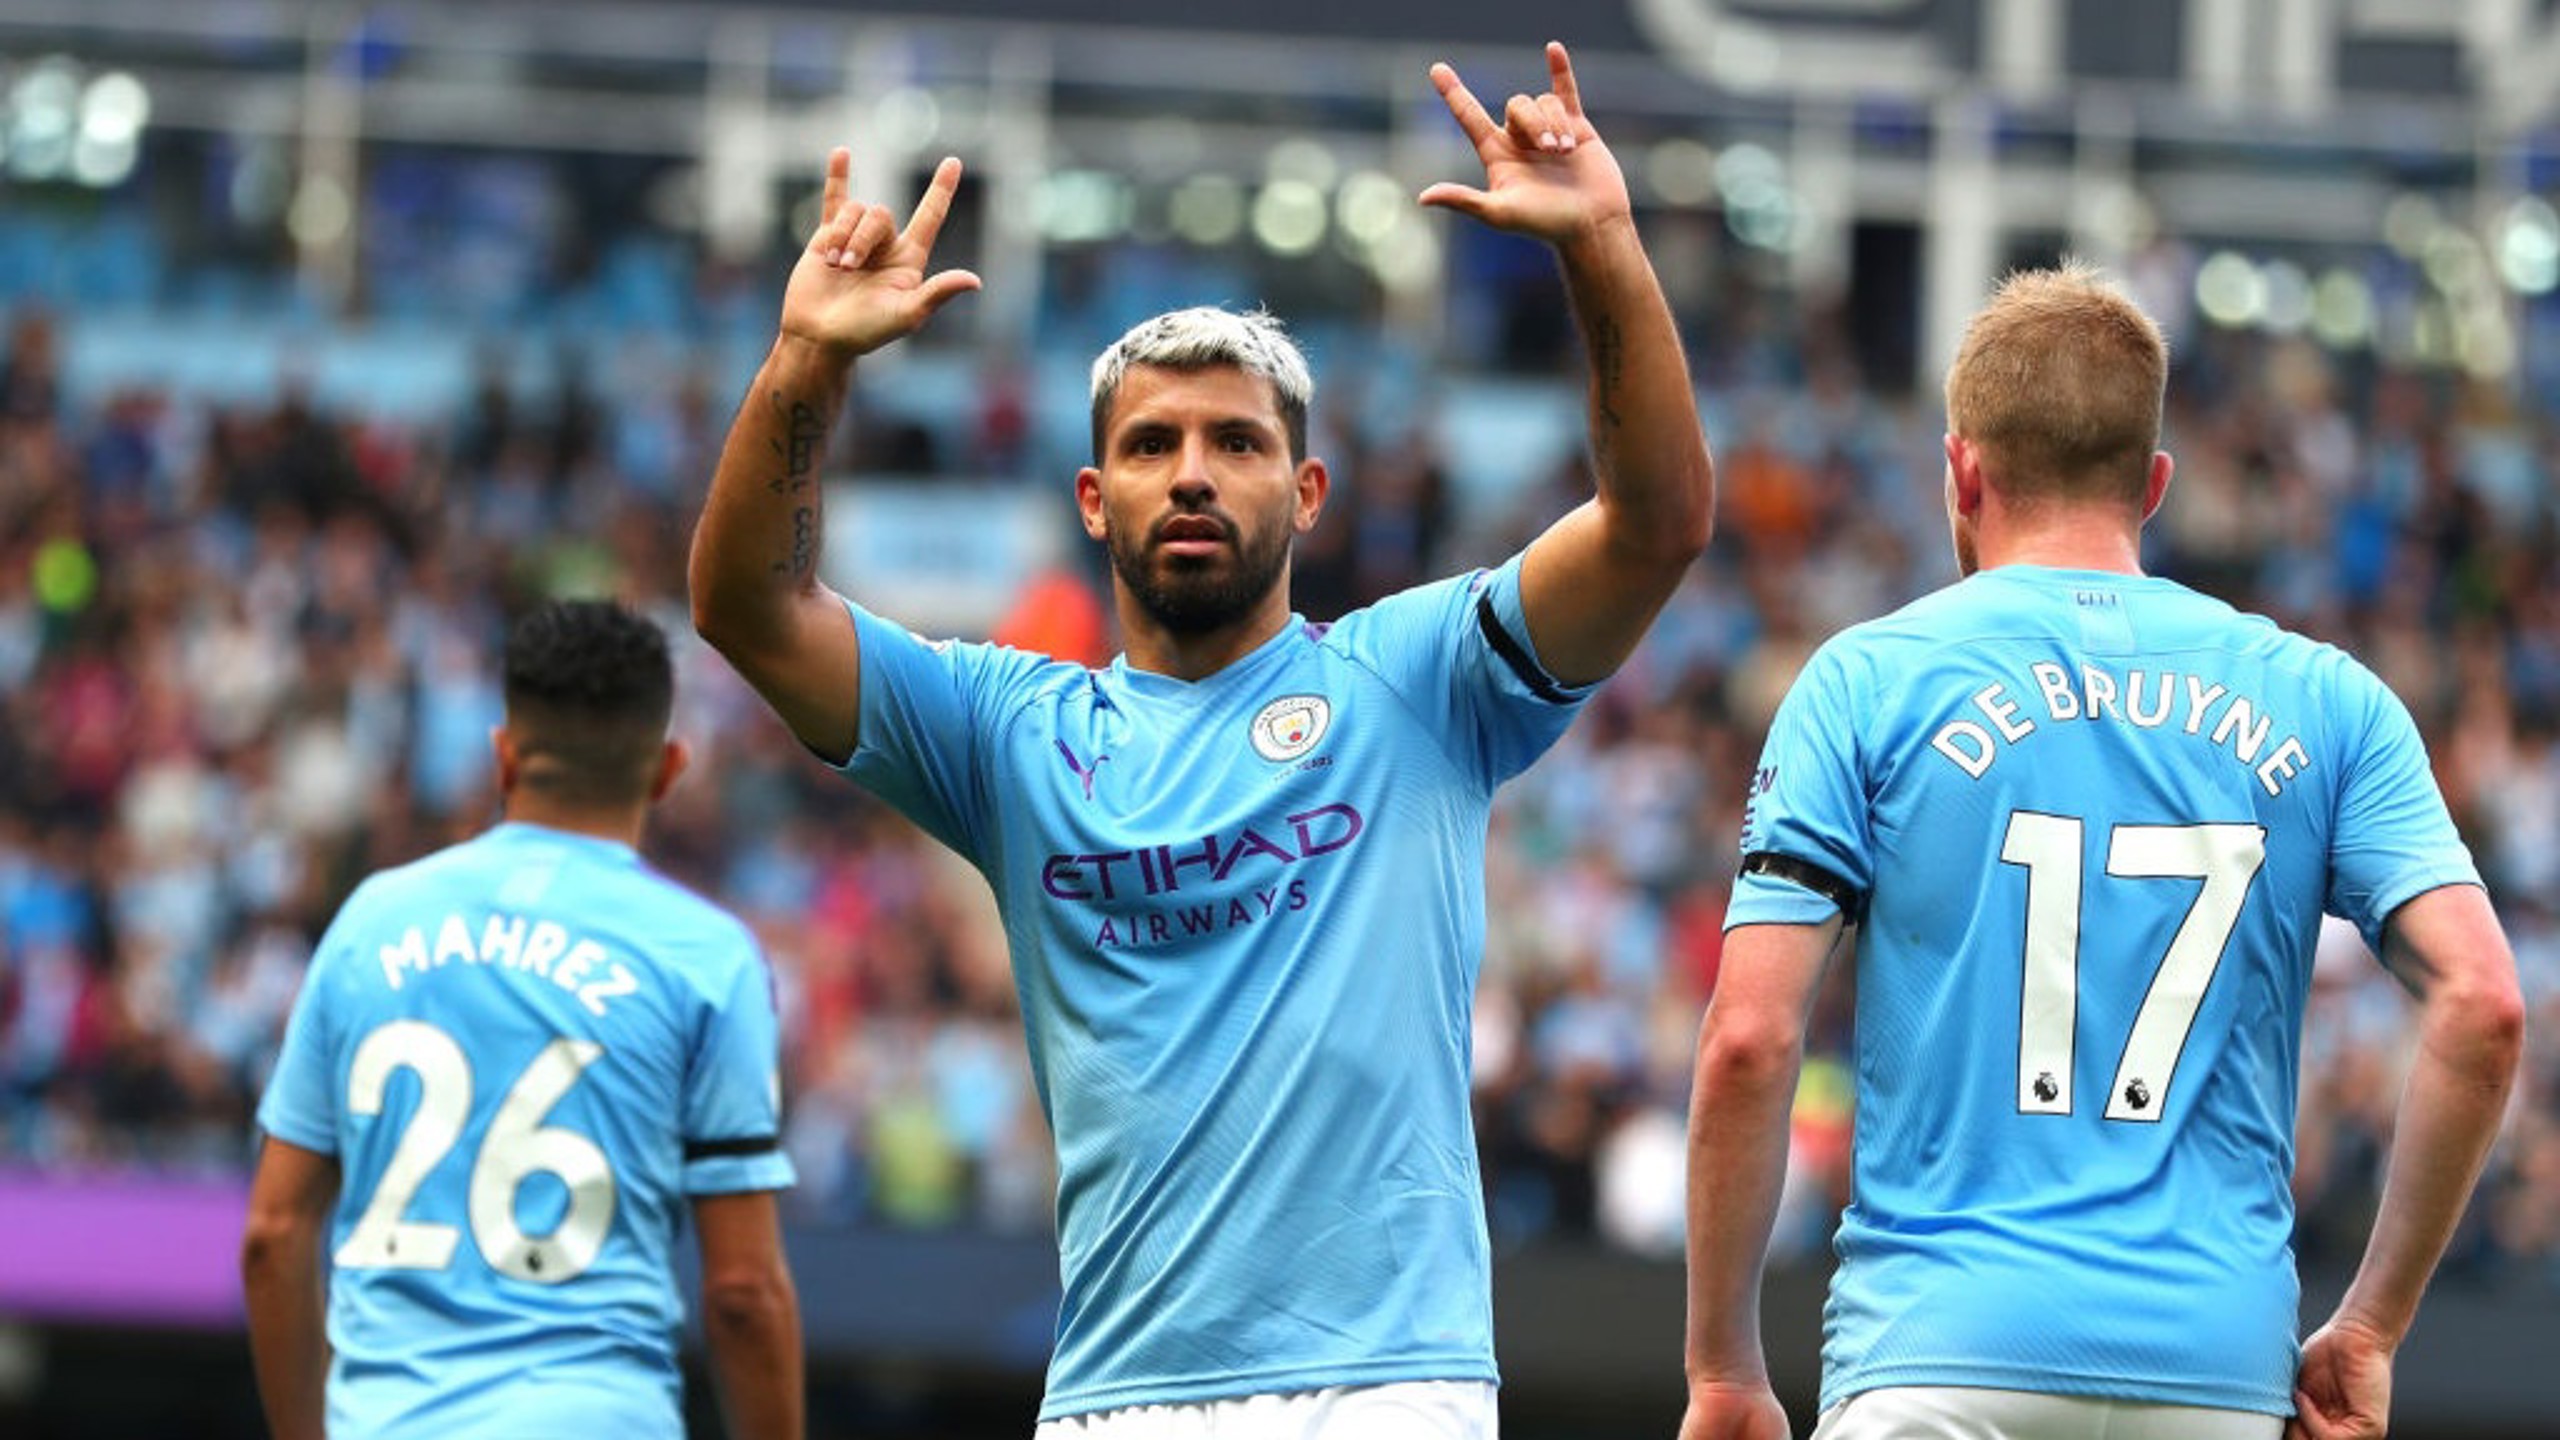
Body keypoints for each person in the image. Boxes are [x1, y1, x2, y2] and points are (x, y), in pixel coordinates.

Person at [689, 40, 1712, 1437]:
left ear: (1306, 491)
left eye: (1234, 443)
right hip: (1118, 1400)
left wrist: (1600, 244)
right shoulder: (1006, 732)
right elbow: (747, 606)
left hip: (1388, 1392)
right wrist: (808, 356)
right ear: (1094, 499)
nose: (1190, 470)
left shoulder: (1414, 681)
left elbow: (1655, 527)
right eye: (1153, 442)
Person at [1677, 264, 2525, 1440]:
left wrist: (1723, 1368)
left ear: (1961, 469)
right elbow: (2482, 1004)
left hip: (1936, 1353)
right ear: (2154, 483)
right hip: (2215, 1375)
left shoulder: (1866, 682)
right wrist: (2368, 1326)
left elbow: (1749, 1041)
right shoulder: (2328, 699)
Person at [241, 600, 803, 1440]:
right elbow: (743, 1294)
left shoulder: (371, 922)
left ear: (503, 757)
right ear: (667, 767)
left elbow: (273, 1234)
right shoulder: (708, 956)